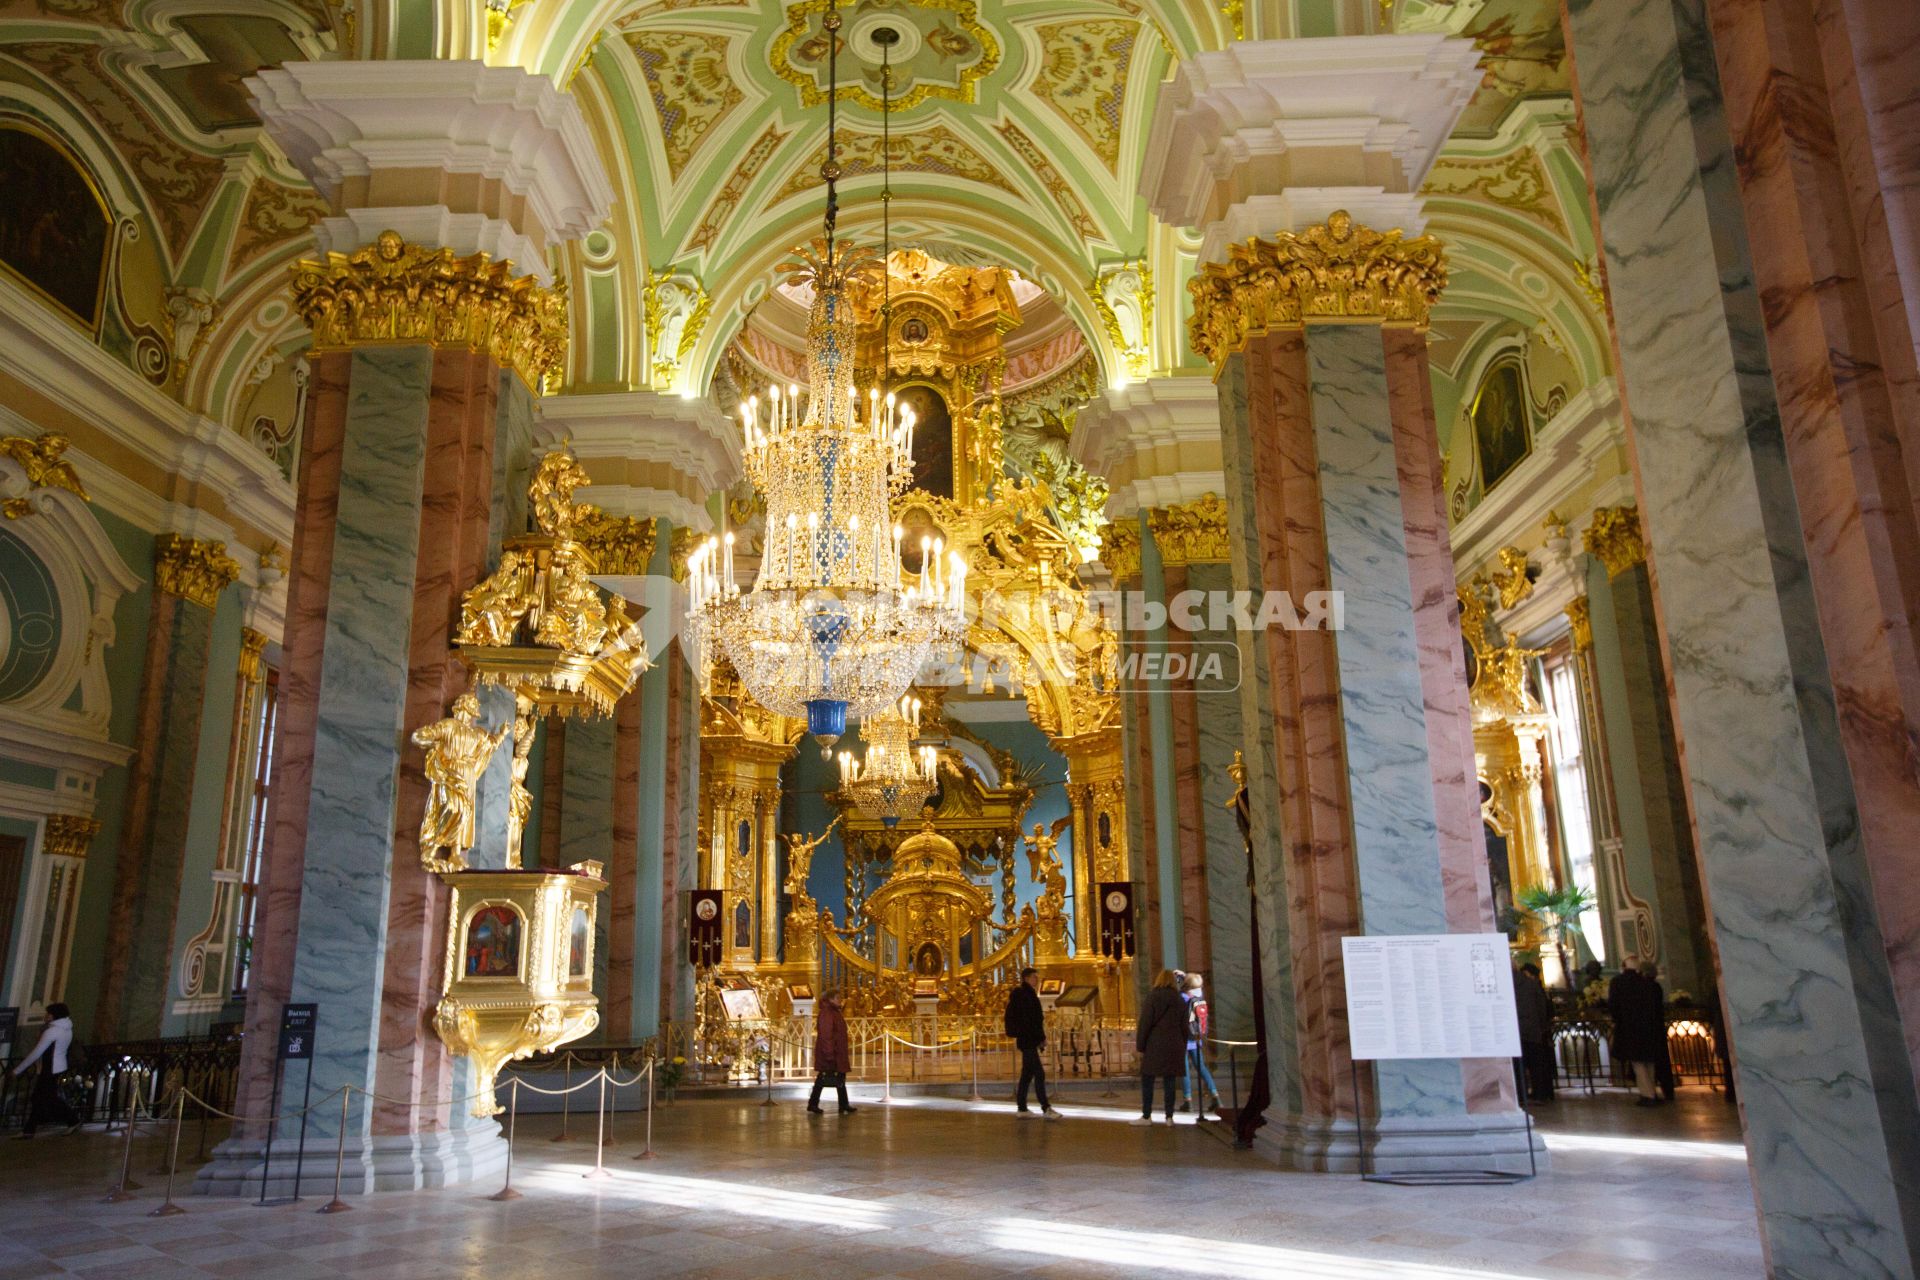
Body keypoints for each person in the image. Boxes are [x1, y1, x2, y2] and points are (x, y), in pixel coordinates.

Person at [12, 1003, 78, 1137]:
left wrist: (17, 1070)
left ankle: (72, 1119)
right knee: (41, 1098)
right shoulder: (66, 1029)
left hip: (50, 1068)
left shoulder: (52, 1031)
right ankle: (29, 1129)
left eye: (48, 1014)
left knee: (45, 1098)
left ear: (54, 1015)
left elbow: (36, 1053)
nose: (45, 1016)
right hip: (58, 1067)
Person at [1003, 968, 1060, 1119]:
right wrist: (1039, 1037)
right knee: (1039, 1074)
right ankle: (1046, 1108)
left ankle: (1022, 1108)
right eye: (1035, 977)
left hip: (1027, 1039)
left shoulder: (1025, 994)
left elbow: (1033, 1019)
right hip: (1028, 1039)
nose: (1037, 980)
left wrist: (1039, 1037)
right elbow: (1031, 1020)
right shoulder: (1025, 995)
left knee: (1027, 1075)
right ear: (1027, 978)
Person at [1609, 959, 1667, 1106]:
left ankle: (1647, 1095)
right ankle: (1652, 1091)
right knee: (1649, 1061)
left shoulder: (1618, 982)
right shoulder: (1645, 982)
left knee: (1637, 1062)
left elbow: (1614, 1006)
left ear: (1623, 966)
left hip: (1629, 1027)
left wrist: (1618, 1020)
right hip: (1648, 1026)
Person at [1133, 970, 1187, 1125]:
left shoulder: (1153, 997)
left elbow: (1145, 1023)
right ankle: (1169, 1116)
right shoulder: (1179, 999)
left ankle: (1146, 1115)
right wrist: (1182, 1044)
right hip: (1174, 1043)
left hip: (1155, 1043)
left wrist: (1140, 1045)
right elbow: (1184, 1026)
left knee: (1148, 1079)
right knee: (1169, 1080)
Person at [1179, 973, 1222, 1118]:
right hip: (1197, 1038)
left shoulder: (1183, 998)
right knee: (1202, 1068)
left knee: (1184, 1070)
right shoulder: (1200, 996)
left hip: (1183, 1039)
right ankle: (1215, 1096)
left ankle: (1188, 1100)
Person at [807, 989, 855, 1115]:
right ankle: (813, 1103)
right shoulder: (827, 1013)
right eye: (838, 998)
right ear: (831, 999)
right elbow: (826, 1034)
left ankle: (843, 1104)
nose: (840, 1000)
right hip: (831, 1052)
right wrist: (829, 1053)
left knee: (840, 1077)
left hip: (837, 1050)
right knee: (823, 1078)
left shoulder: (834, 1011)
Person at [1513, 963, 1556, 1102]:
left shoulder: (1505, 984)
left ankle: (1520, 1095)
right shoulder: (1531, 984)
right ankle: (1540, 1095)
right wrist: (1542, 1027)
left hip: (1515, 1032)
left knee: (1518, 1067)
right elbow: (1541, 1007)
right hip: (1533, 1031)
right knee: (1536, 1066)